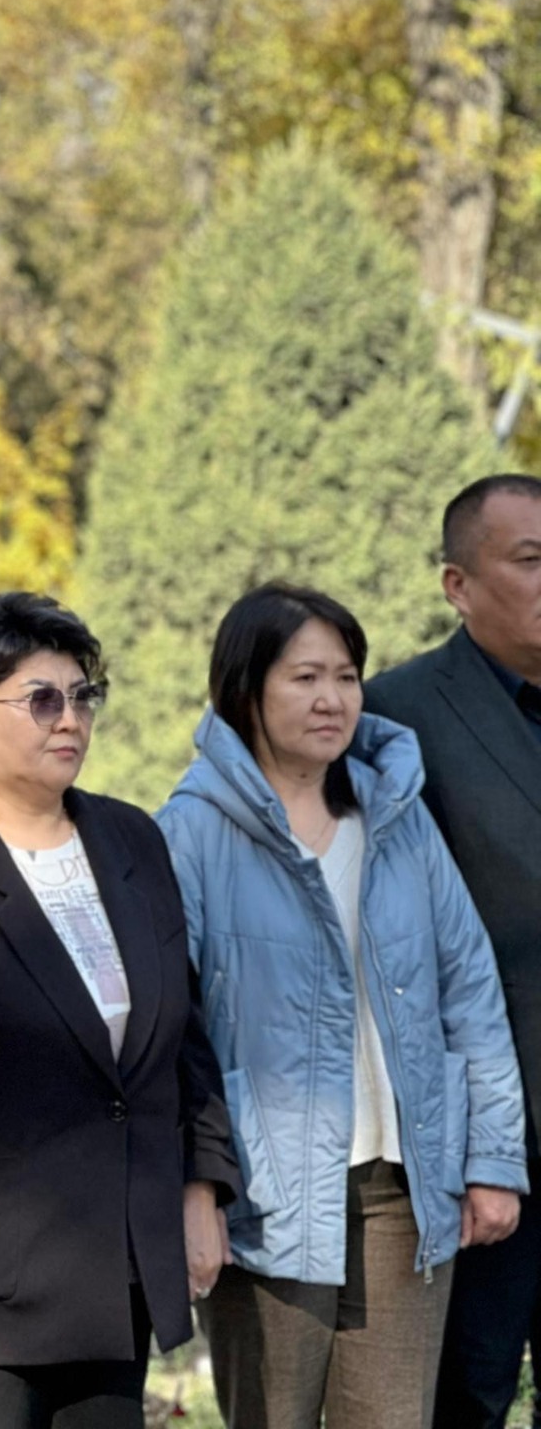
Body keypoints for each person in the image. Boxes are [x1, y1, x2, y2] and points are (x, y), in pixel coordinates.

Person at [157, 582, 525, 1429]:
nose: (332, 699)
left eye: (347, 676)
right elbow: (172, 1032)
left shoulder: (396, 818)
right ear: (245, 688)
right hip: (266, 1192)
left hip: (406, 1189)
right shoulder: (191, 832)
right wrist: (196, 1187)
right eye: (304, 677)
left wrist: (492, 1160)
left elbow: (469, 990)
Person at [0, 591, 241, 1429]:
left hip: (119, 1265)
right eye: (41, 699)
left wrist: (201, 1187)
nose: (69, 718)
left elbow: (184, 1036)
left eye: (82, 696)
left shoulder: (131, 838)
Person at [364, 474, 541, 1429]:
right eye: (530, 560)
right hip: (478, 1147)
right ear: (457, 585)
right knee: (463, 1396)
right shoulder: (393, 720)